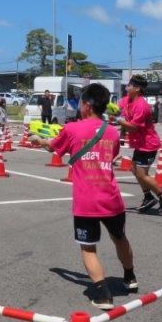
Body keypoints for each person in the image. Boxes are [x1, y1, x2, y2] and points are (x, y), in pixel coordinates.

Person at [31, 83, 137, 309]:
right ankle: (130, 277)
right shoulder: (111, 131)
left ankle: (103, 294)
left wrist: (38, 140)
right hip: (111, 197)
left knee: (88, 248)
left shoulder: (72, 129)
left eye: (80, 102)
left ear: (87, 105)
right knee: (120, 238)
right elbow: (113, 155)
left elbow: (53, 147)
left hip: (86, 200)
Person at [118, 75, 162, 214]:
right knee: (135, 170)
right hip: (138, 144)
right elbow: (115, 107)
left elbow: (133, 127)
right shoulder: (127, 100)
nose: (127, 87)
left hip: (148, 144)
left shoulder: (141, 105)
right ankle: (148, 197)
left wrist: (117, 120)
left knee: (142, 174)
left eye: (129, 85)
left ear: (137, 88)